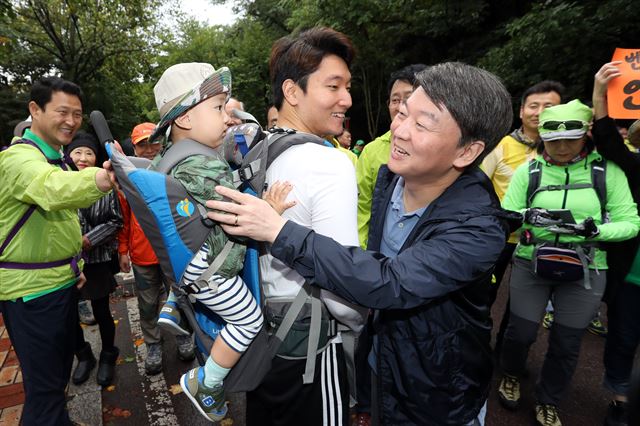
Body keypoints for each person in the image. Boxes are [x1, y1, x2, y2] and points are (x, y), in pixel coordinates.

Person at [207, 61, 518, 425]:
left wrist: (279, 231)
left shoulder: (479, 228)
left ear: (467, 152)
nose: (399, 131)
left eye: (421, 124)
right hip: (382, 368)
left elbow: (391, 282)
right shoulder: (391, 178)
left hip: (436, 397)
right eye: (401, 113)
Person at [206, 27, 367, 425]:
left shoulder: (259, 148)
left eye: (347, 86)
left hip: (261, 337)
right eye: (334, 86)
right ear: (293, 92)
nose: (346, 99)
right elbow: (340, 284)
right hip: (312, 346)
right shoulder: (330, 163)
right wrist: (361, 325)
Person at [148, 62, 284, 422]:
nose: (227, 118)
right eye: (218, 107)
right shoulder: (200, 166)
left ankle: (175, 303)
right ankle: (206, 382)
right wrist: (268, 207)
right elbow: (234, 211)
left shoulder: (171, 158)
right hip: (211, 271)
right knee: (247, 321)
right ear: (186, 120)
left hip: (190, 264)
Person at [497, 99, 640, 426]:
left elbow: (631, 222)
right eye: (553, 140)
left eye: (570, 139)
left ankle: (549, 399)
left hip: (586, 268)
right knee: (520, 331)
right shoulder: (529, 170)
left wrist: (597, 230)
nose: (561, 147)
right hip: (531, 262)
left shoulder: (607, 171)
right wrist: (526, 216)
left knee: (567, 341)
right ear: (543, 138)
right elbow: (507, 212)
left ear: (586, 136)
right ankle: (511, 373)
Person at [0, 76, 114, 425]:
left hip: (59, 283)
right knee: (46, 393)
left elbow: (57, 223)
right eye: (62, 111)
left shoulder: (56, 158)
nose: (71, 121)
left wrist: (72, 264)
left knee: (54, 380)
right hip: (33, 295)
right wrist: (103, 179)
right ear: (35, 110)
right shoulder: (19, 160)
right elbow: (52, 190)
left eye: (77, 114)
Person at [117, 122, 195, 375]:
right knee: (148, 304)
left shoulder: (174, 169)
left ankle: (184, 336)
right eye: (142, 144)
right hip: (142, 256)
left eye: (154, 142)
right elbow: (124, 218)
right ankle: (153, 345)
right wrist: (123, 249)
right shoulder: (128, 178)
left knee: (179, 299)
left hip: (173, 253)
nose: (149, 149)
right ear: (134, 148)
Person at [592, 61, 640, 426]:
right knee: (622, 336)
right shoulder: (635, 166)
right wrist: (599, 90)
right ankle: (621, 399)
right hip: (632, 276)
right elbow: (607, 138)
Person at [66, 131, 122, 387]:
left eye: (88, 152)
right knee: (68, 314)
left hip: (97, 259)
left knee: (102, 311)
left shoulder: (104, 182)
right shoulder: (58, 180)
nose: (83, 157)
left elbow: (116, 220)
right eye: (77, 151)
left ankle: (108, 355)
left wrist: (88, 240)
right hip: (65, 262)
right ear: (69, 154)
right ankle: (83, 356)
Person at [356, 63, 426, 248]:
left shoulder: (440, 149)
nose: (401, 106)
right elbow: (362, 209)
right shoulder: (372, 151)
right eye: (395, 100)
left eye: (409, 98)